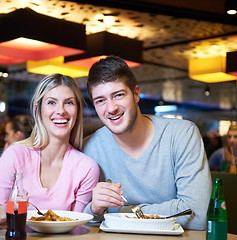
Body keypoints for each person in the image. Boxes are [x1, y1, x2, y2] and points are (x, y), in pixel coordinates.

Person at [82, 56, 212, 230]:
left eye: (118, 95)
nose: (111, 108)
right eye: (100, 100)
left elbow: (197, 215)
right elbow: (82, 217)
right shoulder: (89, 147)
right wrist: (95, 209)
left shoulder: (182, 134)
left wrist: (124, 212)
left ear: (136, 94)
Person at [0, 74, 100, 229]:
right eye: (51, 102)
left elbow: (77, 227)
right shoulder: (15, 155)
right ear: (37, 109)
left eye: (69, 103)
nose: (61, 111)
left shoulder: (86, 167)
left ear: (77, 111)